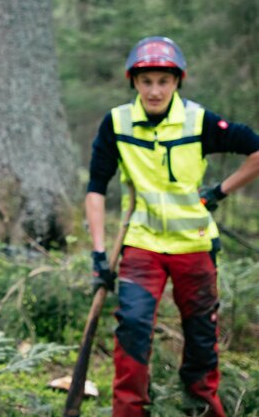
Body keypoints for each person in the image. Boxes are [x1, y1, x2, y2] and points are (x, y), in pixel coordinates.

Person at [85, 36, 259, 417]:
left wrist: (219, 191)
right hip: (142, 246)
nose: (154, 90)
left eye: (163, 81)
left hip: (194, 247)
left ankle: (201, 406)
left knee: (200, 334)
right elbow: (96, 188)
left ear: (177, 81)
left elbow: (256, 151)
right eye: (146, 81)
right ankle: (129, 410)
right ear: (133, 81)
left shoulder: (200, 121)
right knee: (132, 326)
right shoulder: (117, 122)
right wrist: (99, 253)